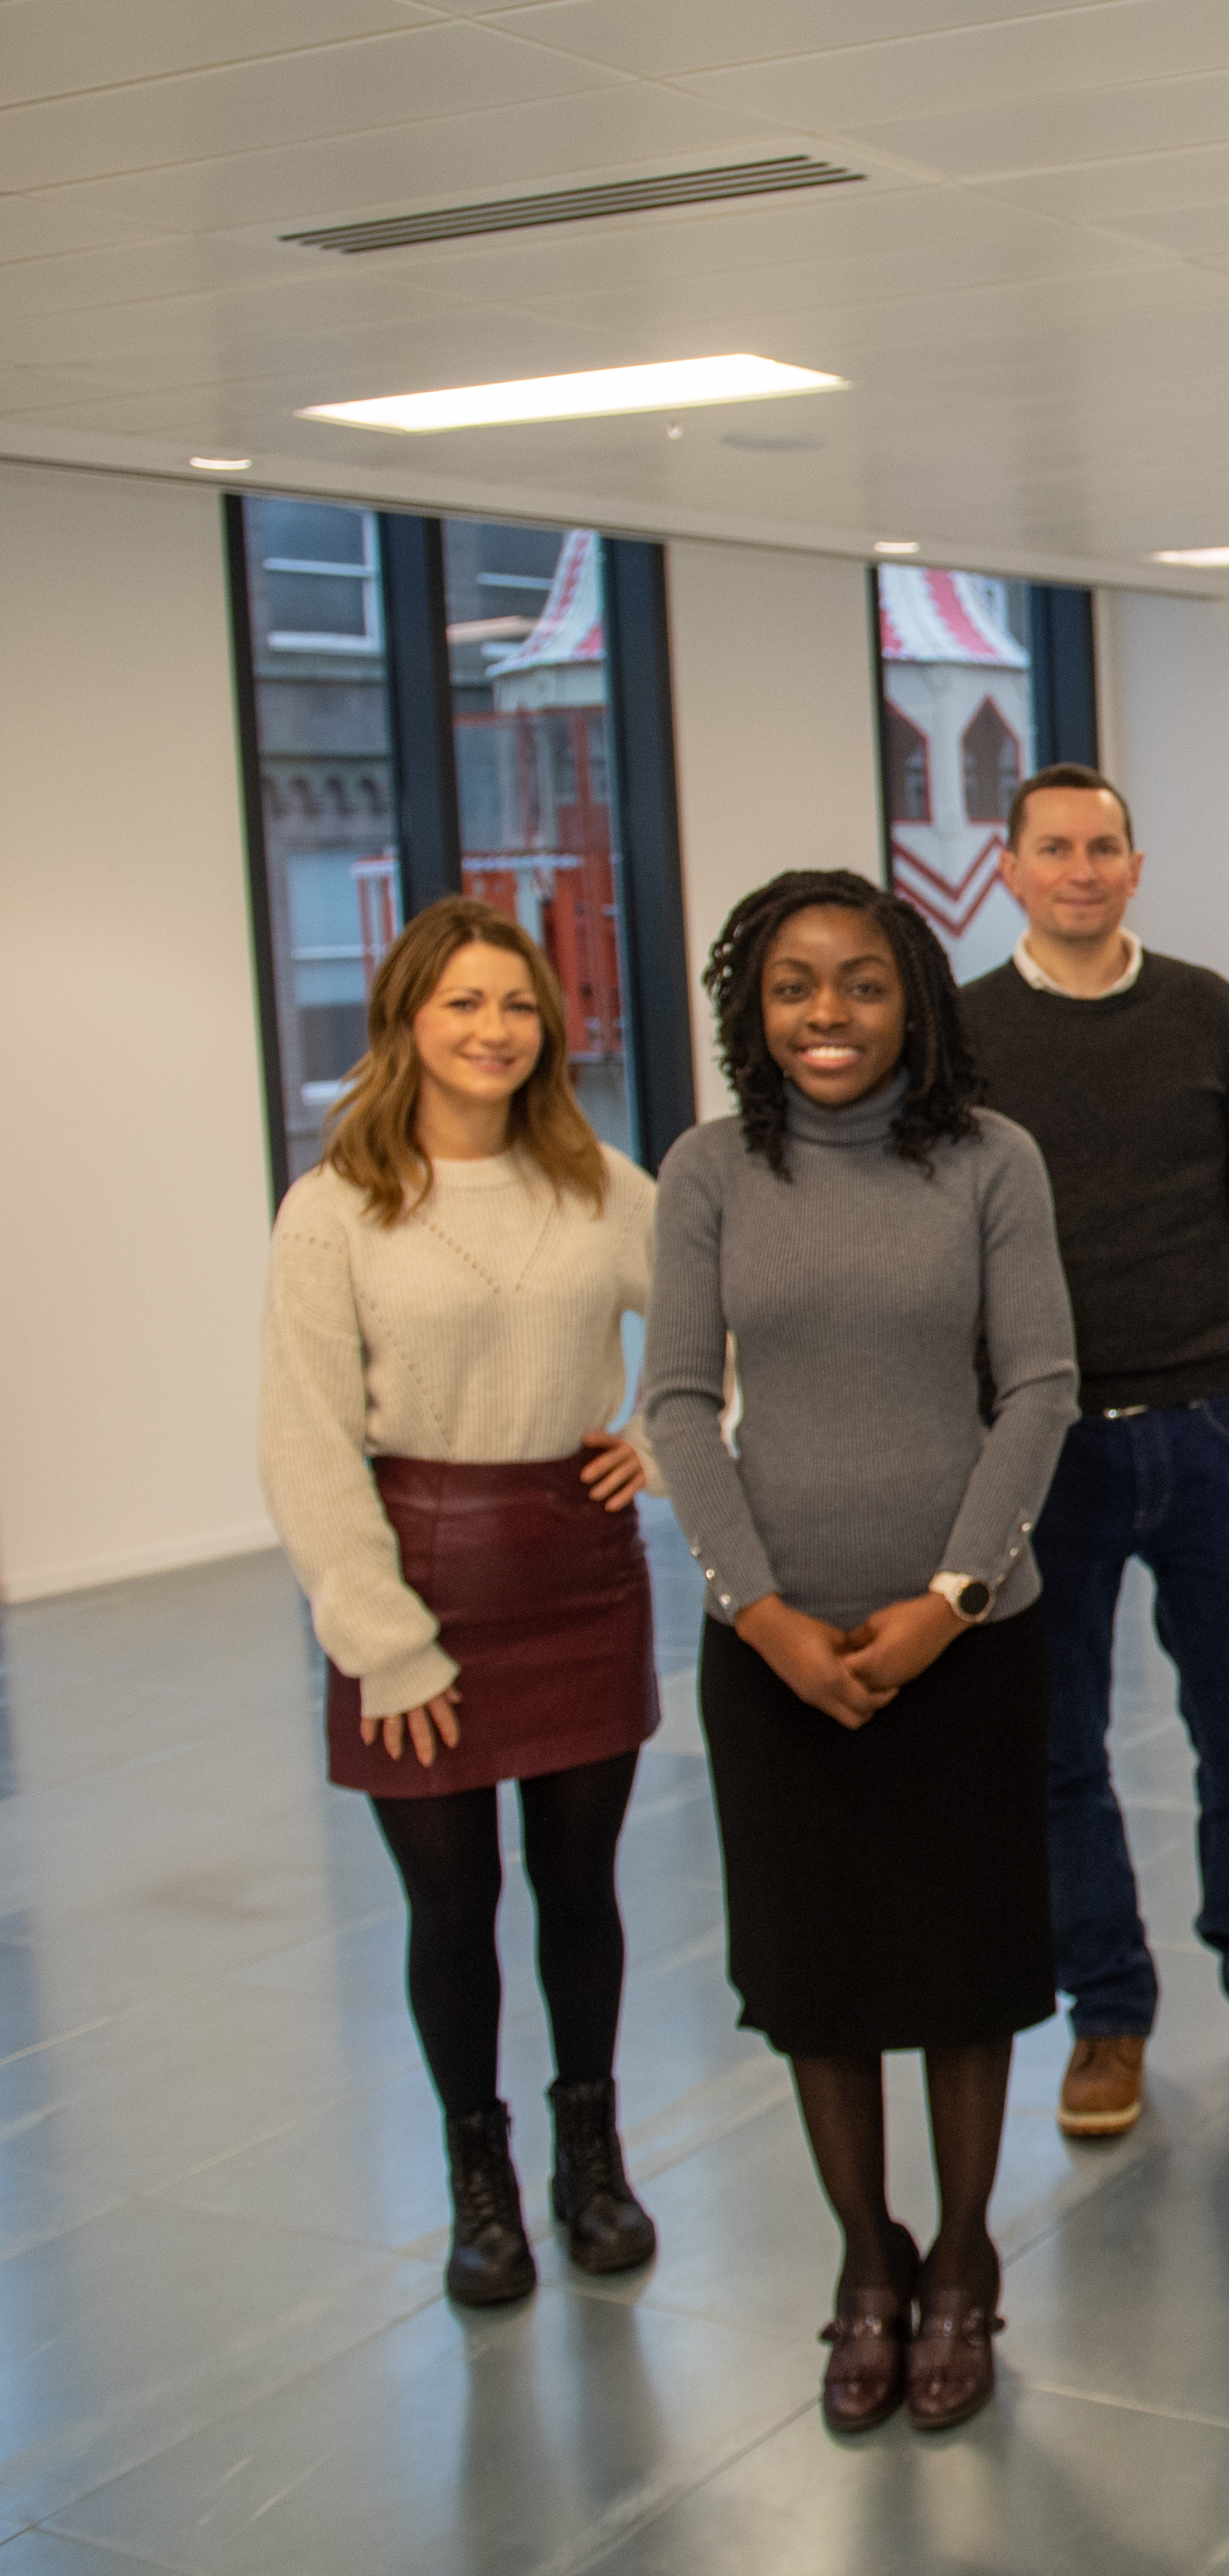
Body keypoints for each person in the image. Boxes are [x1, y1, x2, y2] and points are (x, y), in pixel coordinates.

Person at [644, 869, 1078, 2438]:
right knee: (818, 1980)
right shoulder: (707, 1171)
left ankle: (961, 2256)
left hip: (962, 1643)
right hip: (772, 1653)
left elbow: (1040, 1386)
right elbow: (680, 1401)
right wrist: (760, 1611)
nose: (828, 1013)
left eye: (863, 982)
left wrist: (945, 1600)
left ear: (918, 1002)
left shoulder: (990, 1159)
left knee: (962, 1973)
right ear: (751, 1009)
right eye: (792, 985)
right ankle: (868, 2264)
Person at [258, 895, 664, 2308]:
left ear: (547, 1024)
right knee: (452, 1907)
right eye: (463, 1005)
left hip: (576, 1570)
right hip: (418, 1571)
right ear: (407, 1025)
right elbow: (303, 1438)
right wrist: (384, 1642)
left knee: (578, 1887)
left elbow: (712, 1317)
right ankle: (476, 2179)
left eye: (516, 1004)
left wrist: (665, 1439)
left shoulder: (598, 1184)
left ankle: (590, 2155)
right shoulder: (336, 1209)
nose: (495, 1030)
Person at [957, 762, 1229, 2138]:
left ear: (1134, 862)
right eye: (1054, 848)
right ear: (1011, 868)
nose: (1082, 869)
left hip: (1209, 1423)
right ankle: (1105, 2017)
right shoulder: (966, 1031)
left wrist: (1176, 1310)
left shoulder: (1203, 1013)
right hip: (1038, 1442)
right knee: (1060, 1753)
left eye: (1104, 846)